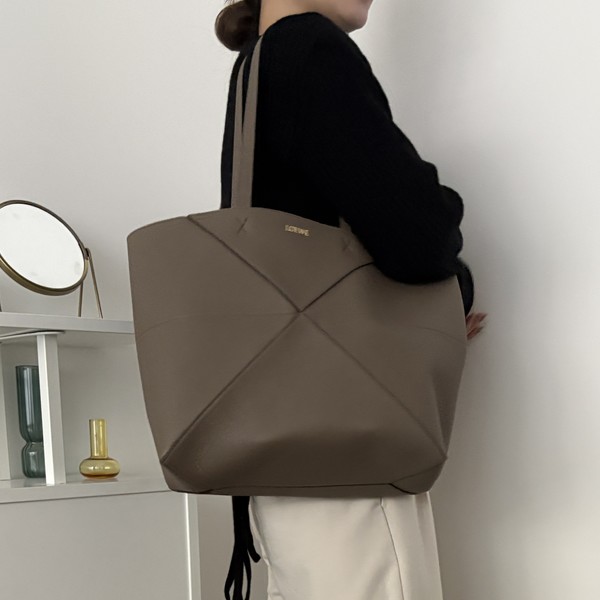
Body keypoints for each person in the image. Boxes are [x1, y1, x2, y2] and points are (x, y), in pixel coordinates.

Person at [215, 1, 488, 598]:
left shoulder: (256, 64)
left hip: (280, 448)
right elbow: (417, 233)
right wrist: (449, 287)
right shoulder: (308, 49)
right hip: (345, 451)